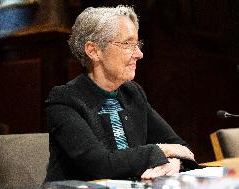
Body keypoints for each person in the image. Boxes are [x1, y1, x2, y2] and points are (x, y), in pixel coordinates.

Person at [44, 5, 197, 182]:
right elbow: (100, 165)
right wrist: (163, 151)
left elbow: (181, 147)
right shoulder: (64, 100)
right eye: (127, 44)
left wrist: (174, 163)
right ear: (93, 51)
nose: (139, 54)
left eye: (137, 44)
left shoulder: (132, 94)